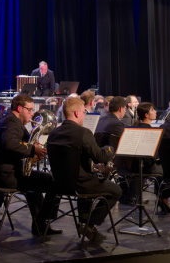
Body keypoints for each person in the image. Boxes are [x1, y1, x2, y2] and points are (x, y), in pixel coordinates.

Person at [47, 96, 122, 244]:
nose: (85, 115)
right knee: (116, 191)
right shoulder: (83, 133)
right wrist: (110, 148)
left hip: (59, 185)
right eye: (84, 112)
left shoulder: (53, 133)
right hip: (80, 185)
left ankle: (84, 224)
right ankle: (89, 224)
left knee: (88, 181)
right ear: (76, 113)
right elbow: (100, 157)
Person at [0, 93, 61, 236]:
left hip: (6, 173)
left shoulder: (8, 119)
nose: (31, 114)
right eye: (29, 110)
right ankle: (44, 219)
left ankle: (39, 225)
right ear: (19, 108)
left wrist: (31, 147)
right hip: (9, 176)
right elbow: (9, 143)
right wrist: (32, 149)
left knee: (35, 185)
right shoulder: (11, 122)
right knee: (52, 181)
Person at [135, 102, 170, 212]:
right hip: (146, 166)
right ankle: (164, 201)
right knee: (166, 171)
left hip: (134, 165)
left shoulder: (136, 126)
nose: (155, 111)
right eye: (152, 110)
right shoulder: (150, 130)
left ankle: (162, 200)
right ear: (146, 115)